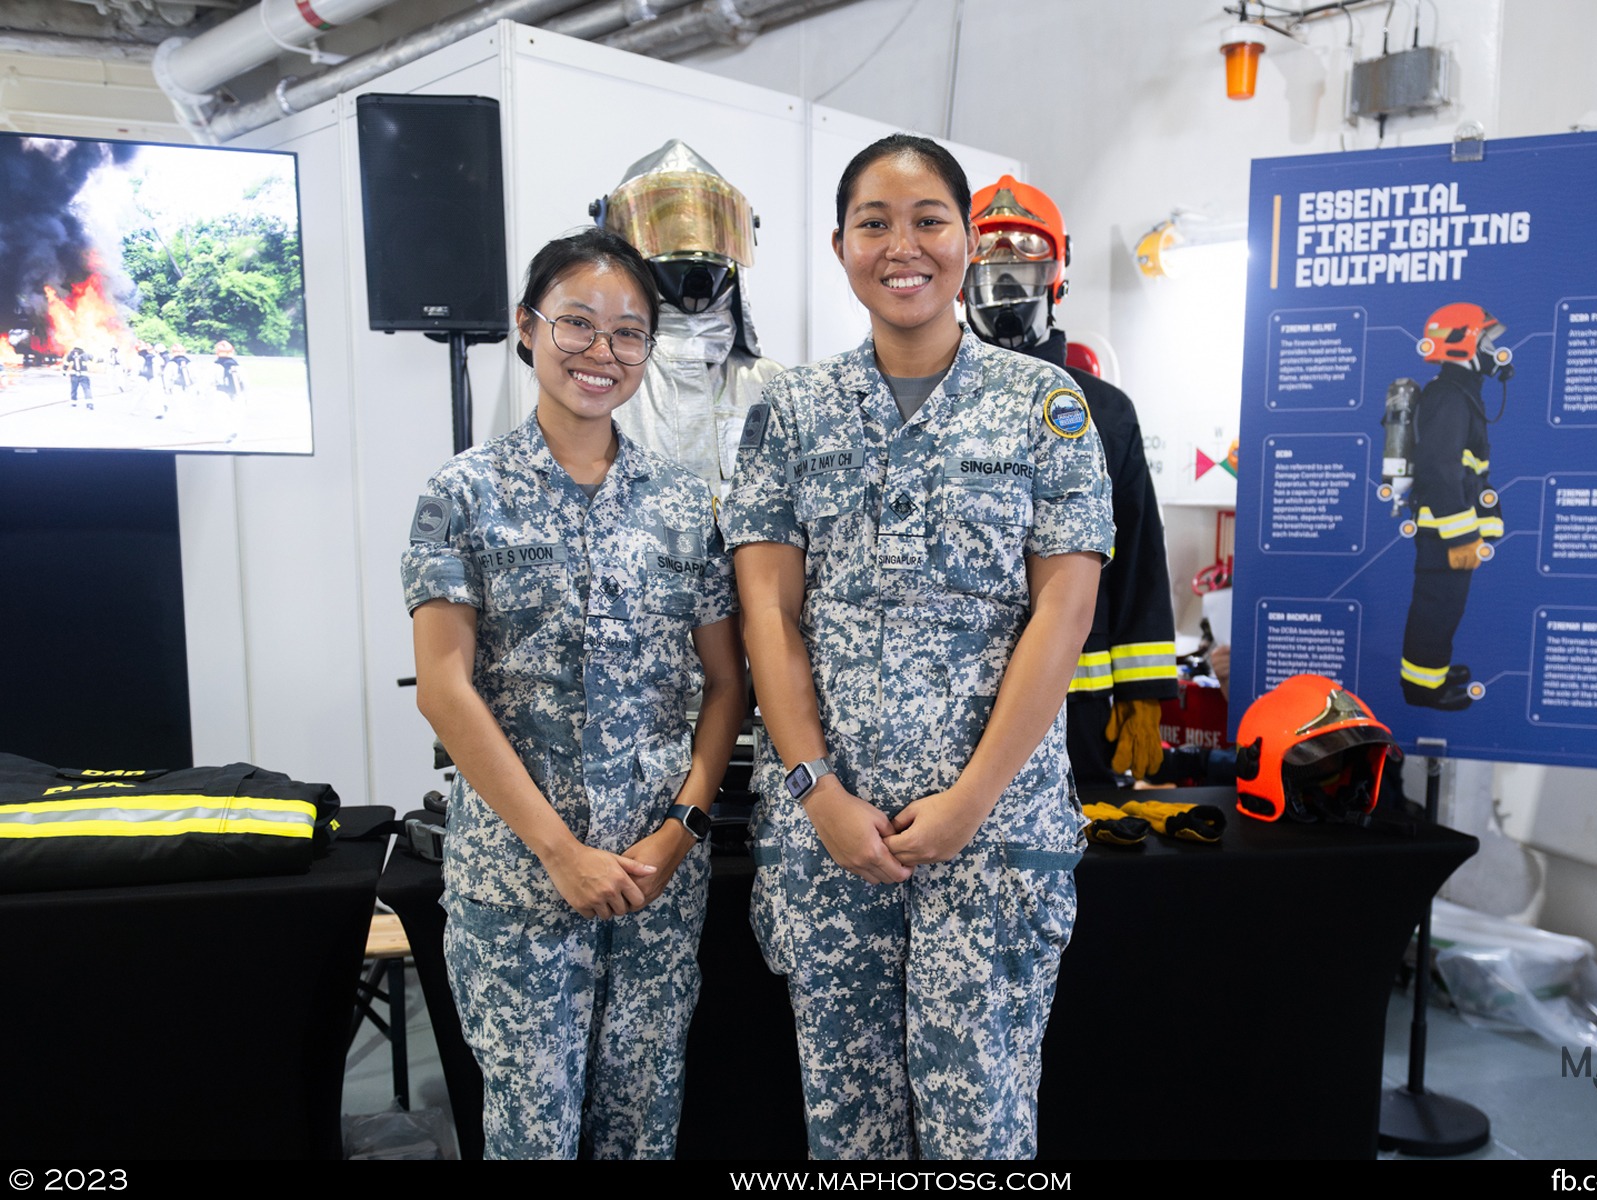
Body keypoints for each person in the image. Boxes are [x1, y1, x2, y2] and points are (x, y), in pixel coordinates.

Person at [723, 135, 1111, 1159]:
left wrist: (973, 798)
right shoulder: (789, 413)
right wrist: (817, 790)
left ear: (970, 240)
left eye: (929, 219)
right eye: (875, 223)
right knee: (845, 1135)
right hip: (829, 840)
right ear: (841, 244)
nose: (905, 246)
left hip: (994, 839)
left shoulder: (1047, 409)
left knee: (980, 1132)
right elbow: (768, 614)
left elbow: (1062, 614)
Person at [402, 228, 746, 1159]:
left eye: (629, 333)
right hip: (519, 888)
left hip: (655, 885)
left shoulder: (683, 504)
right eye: (578, 324)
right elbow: (444, 689)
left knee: (643, 1134)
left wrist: (681, 829)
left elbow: (726, 686)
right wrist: (560, 853)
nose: (603, 351)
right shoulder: (462, 495)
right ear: (527, 328)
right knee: (532, 1138)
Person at [963, 174, 1177, 788]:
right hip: (955, 697)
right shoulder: (924, 404)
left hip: (1077, 705)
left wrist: (1144, 691)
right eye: (987, 274)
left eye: (1023, 273)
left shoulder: (1104, 413)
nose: (1004, 293)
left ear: (1056, 275)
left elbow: (1139, 556)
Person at [601, 139, 785, 502]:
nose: (692, 250)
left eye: (707, 225)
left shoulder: (771, 384)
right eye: (665, 229)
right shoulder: (605, 379)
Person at [1400, 302, 1509, 710]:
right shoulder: (1448, 397)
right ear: (1462, 343)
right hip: (1444, 534)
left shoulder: (1462, 394)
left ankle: (1436, 669)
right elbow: (1439, 471)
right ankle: (1422, 688)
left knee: (1447, 607)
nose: (1491, 350)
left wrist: (1488, 519)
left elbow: (1470, 470)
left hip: (1453, 531)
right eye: (1484, 340)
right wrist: (1464, 535)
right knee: (1435, 608)